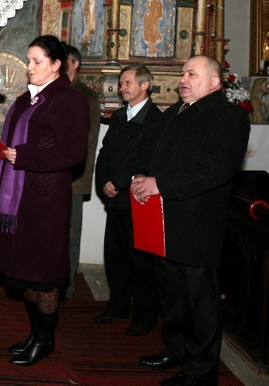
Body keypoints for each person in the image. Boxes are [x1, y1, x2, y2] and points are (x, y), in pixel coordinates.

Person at [0, 35, 89, 366]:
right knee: (24, 273)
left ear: (56, 65)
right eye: (29, 60)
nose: (29, 67)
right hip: (17, 201)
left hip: (44, 202)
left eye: (36, 62)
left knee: (44, 276)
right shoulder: (24, 100)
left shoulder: (69, 100)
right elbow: (4, 145)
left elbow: (72, 153)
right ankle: (35, 333)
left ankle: (45, 340)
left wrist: (26, 156)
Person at [130, 55, 250, 385]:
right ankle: (176, 349)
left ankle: (201, 370)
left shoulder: (229, 118)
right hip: (166, 219)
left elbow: (214, 170)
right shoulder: (176, 112)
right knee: (170, 292)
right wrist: (145, 177)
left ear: (214, 82)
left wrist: (160, 184)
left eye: (191, 74)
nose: (183, 78)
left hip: (199, 222)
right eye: (183, 73)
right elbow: (161, 156)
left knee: (200, 301)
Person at [93, 64, 161, 336]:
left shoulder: (155, 120)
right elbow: (105, 153)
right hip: (117, 201)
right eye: (121, 83)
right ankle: (118, 305)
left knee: (141, 262)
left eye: (128, 83)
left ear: (145, 86)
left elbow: (146, 159)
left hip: (139, 200)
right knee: (116, 256)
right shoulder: (120, 116)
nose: (122, 87)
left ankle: (144, 317)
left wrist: (119, 182)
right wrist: (103, 182)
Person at [64, 45, 101, 298]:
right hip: (49, 176)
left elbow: (86, 139)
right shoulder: (51, 91)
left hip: (72, 176)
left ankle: (66, 285)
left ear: (75, 64)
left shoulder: (86, 96)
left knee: (70, 234)